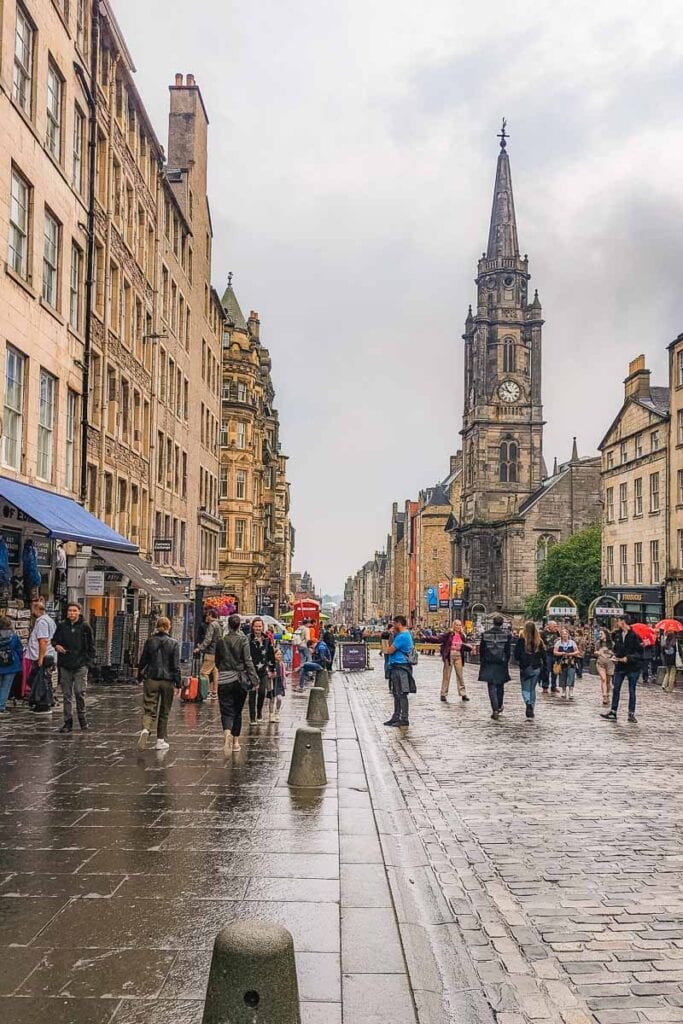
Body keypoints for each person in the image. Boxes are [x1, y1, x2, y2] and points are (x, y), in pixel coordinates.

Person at [216, 612, 259, 754]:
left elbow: (217, 661)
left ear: (228, 625)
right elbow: (248, 661)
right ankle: (235, 742)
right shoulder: (243, 640)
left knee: (226, 710)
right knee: (237, 711)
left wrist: (223, 670)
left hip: (224, 679)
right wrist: (254, 680)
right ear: (239, 625)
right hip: (240, 680)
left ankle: (227, 733)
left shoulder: (221, 640)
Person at [137, 616, 181, 751]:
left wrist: (139, 677)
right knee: (164, 711)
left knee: (149, 708)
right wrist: (178, 684)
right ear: (169, 627)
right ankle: (160, 741)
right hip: (167, 681)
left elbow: (143, 660)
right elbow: (176, 666)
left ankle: (146, 729)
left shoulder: (150, 641)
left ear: (157, 626)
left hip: (151, 679)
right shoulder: (174, 643)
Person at [53, 602, 95, 733]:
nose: (72, 613)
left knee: (79, 692)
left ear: (79, 612)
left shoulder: (85, 627)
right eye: (70, 611)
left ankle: (82, 719)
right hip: (65, 663)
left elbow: (91, 646)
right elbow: (54, 640)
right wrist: (56, 646)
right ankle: (68, 722)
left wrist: (88, 663)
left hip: (80, 664)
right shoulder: (62, 626)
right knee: (66, 694)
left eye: (74, 611)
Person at [601, 615, 643, 723]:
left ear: (623, 622)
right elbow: (616, 650)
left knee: (632, 690)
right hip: (620, 666)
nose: (617, 623)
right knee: (616, 688)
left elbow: (639, 653)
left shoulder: (634, 636)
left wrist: (628, 658)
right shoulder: (618, 635)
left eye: (618, 621)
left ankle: (631, 713)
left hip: (633, 667)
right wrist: (614, 656)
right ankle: (613, 711)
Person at [383, 615, 415, 728]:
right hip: (397, 666)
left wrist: (392, 637)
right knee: (396, 693)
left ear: (399, 624)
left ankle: (404, 718)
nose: (393, 626)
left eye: (394, 624)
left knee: (401, 693)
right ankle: (396, 716)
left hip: (401, 667)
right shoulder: (402, 635)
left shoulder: (402, 636)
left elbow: (390, 650)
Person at [27, 598, 57, 714]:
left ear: (36, 609)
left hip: (43, 656)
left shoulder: (42, 622)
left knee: (39, 680)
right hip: (46, 655)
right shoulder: (48, 620)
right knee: (41, 680)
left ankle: (43, 704)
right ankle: (42, 702)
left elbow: (43, 641)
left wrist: (40, 658)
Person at [478, 615, 511, 720]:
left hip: (489, 662)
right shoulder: (506, 635)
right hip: (501, 663)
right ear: (502, 623)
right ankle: (499, 705)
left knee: (491, 686)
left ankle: (495, 709)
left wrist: (482, 661)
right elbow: (508, 651)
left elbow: (482, 650)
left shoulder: (485, 634)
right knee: (500, 686)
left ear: (493, 622)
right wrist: (506, 661)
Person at [248, 617, 276, 724]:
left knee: (262, 692)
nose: (258, 628)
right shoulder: (248, 639)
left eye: (260, 626)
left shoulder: (267, 639)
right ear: (252, 627)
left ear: (262, 627)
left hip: (263, 670)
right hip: (251, 671)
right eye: (256, 626)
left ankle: (259, 711)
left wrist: (272, 669)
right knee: (252, 694)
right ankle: (252, 717)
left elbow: (271, 655)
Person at [515, 621, 545, 719]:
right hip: (536, 667)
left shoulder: (521, 641)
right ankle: (532, 706)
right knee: (532, 689)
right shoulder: (539, 641)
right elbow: (543, 655)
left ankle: (528, 703)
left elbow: (516, 655)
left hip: (525, 667)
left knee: (525, 688)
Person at [439, 619, 471, 703]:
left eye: (460, 625)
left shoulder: (462, 635)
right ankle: (443, 694)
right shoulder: (449, 634)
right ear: (453, 625)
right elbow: (439, 639)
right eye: (457, 625)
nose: (458, 627)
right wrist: (426, 638)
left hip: (459, 655)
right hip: (450, 655)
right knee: (447, 675)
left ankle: (463, 694)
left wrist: (469, 647)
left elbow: (464, 645)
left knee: (460, 675)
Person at [193, 607, 221, 700]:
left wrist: (199, 648)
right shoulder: (219, 624)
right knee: (215, 672)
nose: (206, 617)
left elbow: (208, 639)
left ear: (211, 615)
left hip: (210, 652)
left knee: (203, 672)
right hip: (217, 652)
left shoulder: (212, 625)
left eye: (207, 615)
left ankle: (207, 691)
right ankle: (215, 693)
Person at [0, 615, 24, 713]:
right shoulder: (14, 637)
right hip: (11, 665)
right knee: (6, 686)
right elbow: (20, 650)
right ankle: (1, 706)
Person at [553, 627, 579, 700]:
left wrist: (571, 654)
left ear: (568, 634)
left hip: (571, 662)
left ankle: (571, 690)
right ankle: (564, 690)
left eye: (566, 634)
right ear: (561, 635)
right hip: (562, 662)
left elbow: (577, 651)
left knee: (571, 675)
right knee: (562, 676)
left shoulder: (572, 642)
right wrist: (561, 653)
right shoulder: (558, 643)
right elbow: (554, 652)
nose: (564, 635)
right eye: (563, 634)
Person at [594, 628, 615, 706]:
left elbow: (615, 653)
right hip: (600, 663)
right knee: (603, 679)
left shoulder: (612, 644)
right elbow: (595, 652)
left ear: (606, 634)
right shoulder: (598, 643)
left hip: (610, 664)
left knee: (608, 681)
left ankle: (607, 694)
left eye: (601, 634)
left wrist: (612, 655)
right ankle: (604, 696)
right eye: (599, 634)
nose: (600, 635)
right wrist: (597, 653)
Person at [267, 648, 286, 722]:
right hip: (272, 682)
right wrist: (271, 675)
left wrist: (284, 683)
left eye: (280, 654)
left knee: (279, 698)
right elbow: (268, 673)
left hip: (279, 683)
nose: (279, 656)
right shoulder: (271, 664)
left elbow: (283, 674)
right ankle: (271, 714)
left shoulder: (282, 664)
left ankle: (277, 712)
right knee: (272, 699)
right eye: (277, 654)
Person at [540, 621, 560, 692]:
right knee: (546, 670)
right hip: (547, 654)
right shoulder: (543, 633)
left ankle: (553, 686)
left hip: (555, 654)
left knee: (555, 671)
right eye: (554, 626)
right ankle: (545, 686)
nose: (556, 628)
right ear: (549, 626)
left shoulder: (557, 633)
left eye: (556, 626)